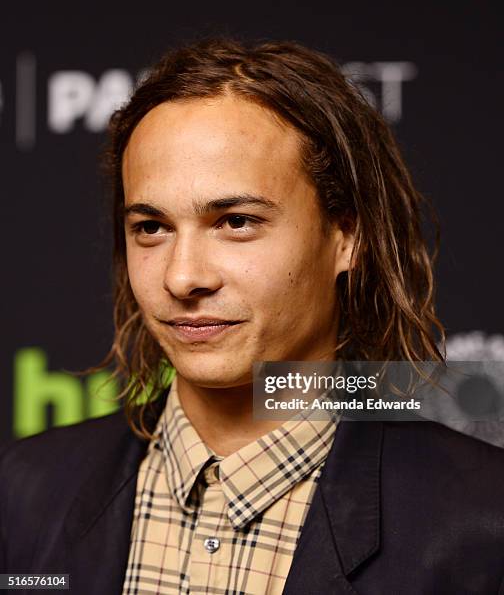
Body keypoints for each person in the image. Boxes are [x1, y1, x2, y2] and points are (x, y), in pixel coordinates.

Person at [1, 38, 503, 595]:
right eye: (151, 227)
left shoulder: (482, 521)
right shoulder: (25, 493)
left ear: (348, 236)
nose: (181, 277)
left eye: (236, 221)